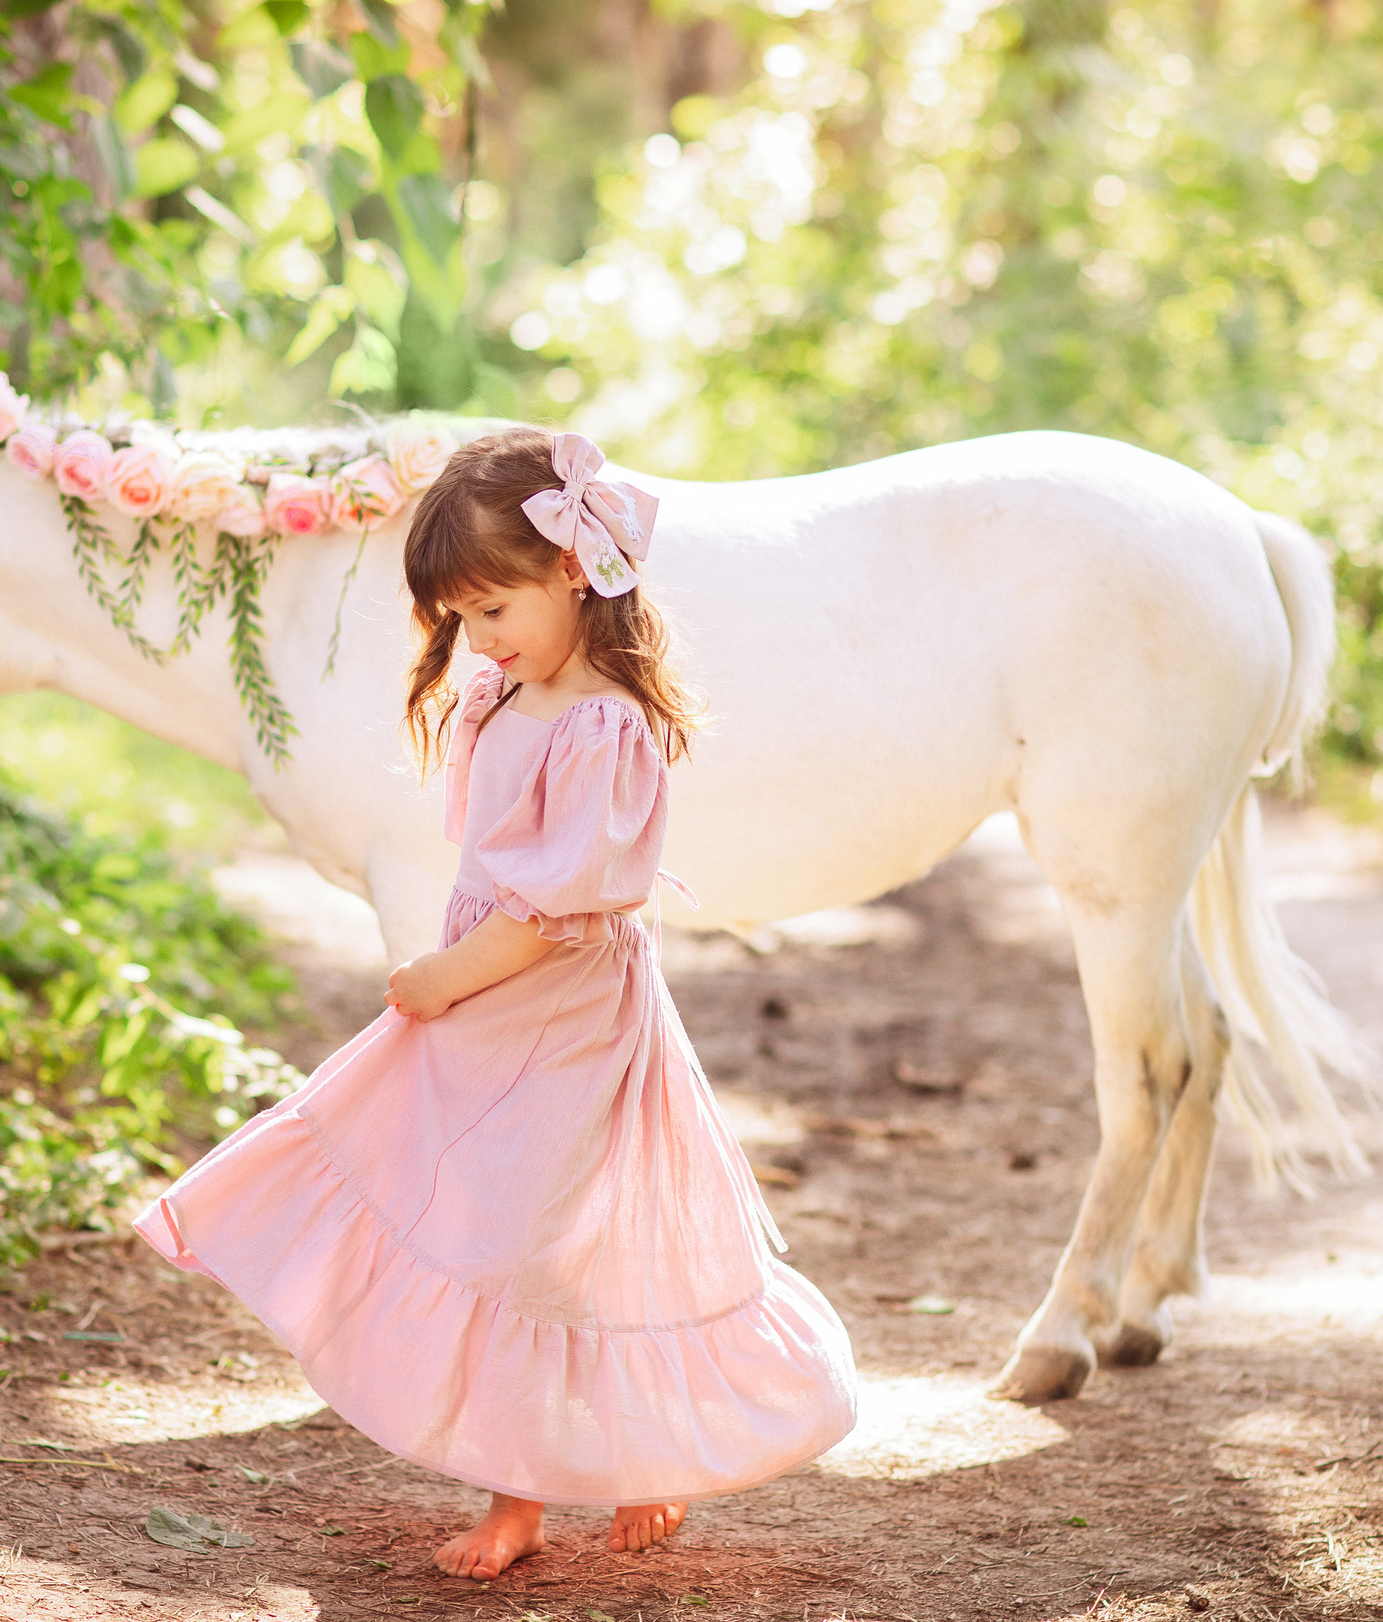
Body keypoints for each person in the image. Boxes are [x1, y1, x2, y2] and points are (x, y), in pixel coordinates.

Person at [135, 427, 859, 1579]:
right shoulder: (506, 691)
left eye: (499, 609)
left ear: (574, 570)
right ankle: (562, 1463)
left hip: (560, 1016)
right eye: (466, 618)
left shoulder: (603, 723)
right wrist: (457, 976)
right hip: (494, 1013)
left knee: (534, 1243)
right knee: (456, 1202)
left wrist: (439, 975)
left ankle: (538, 1488)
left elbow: (553, 910)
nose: (484, 639)